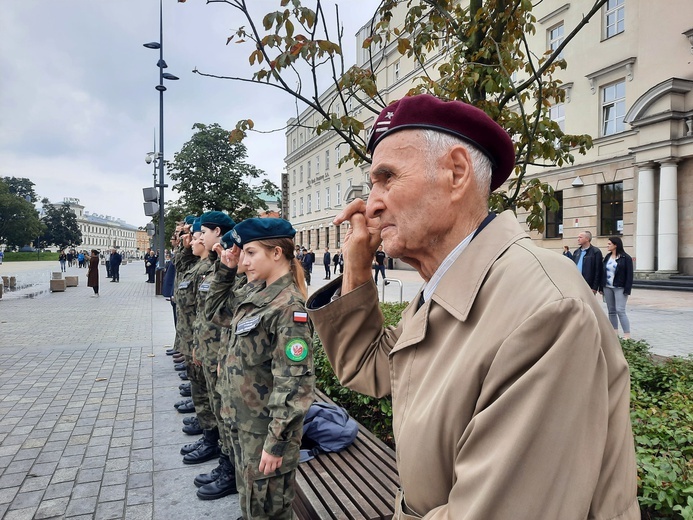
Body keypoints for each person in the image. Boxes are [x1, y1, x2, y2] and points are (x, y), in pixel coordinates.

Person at [305, 94, 638, 519]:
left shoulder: (544, 309)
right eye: (372, 185)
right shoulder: (449, 287)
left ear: (456, 173)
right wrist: (357, 268)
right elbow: (368, 368)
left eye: (386, 178)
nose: (370, 204)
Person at [217, 217, 314, 520]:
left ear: (276, 253)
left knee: (268, 510)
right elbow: (214, 312)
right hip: (243, 422)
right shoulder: (256, 293)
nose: (244, 261)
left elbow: (295, 384)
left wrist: (276, 443)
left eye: (250, 252)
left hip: (265, 432)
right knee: (251, 503)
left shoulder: (289, 308)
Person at [601, 236, 634, 339]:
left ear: (616, 245)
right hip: (607, 287)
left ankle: (627, 334)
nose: (607, 245)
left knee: (620, 310)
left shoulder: (626, 258)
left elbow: (629, 275)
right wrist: (601, 288)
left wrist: (627, 289)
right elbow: (603, 272)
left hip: (620, 287)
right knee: (611, 310)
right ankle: (614, 333)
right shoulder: (607, 257)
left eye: (609, 244)